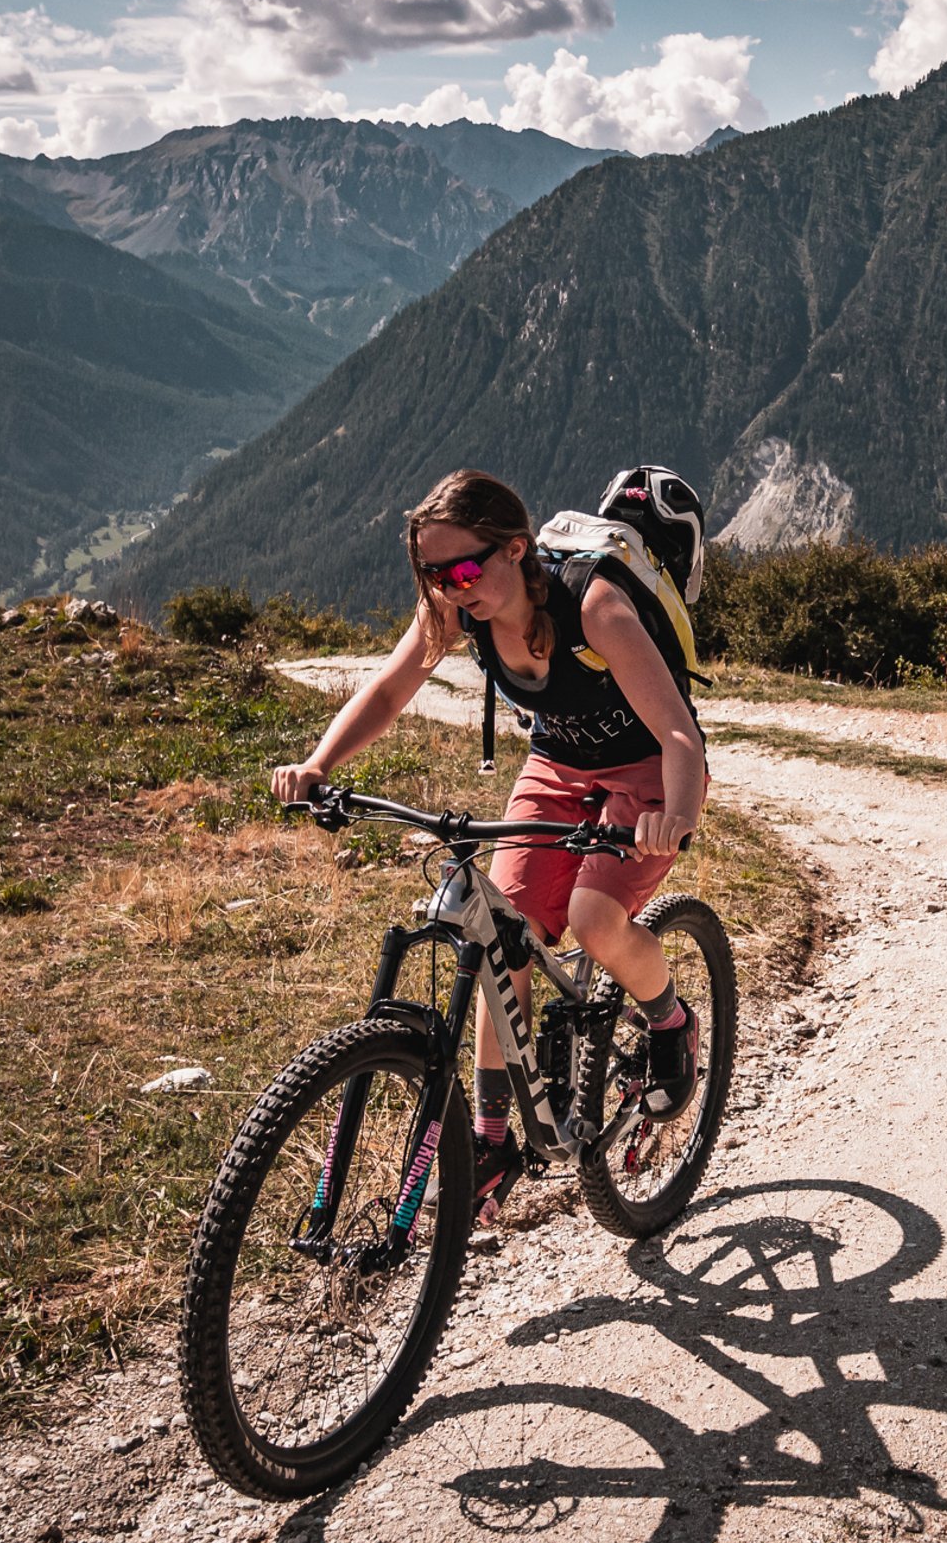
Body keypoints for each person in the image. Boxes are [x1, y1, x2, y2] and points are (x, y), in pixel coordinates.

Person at [268, 468, 708, 1222]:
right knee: (502, 938)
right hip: (559, 768)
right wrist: (318, 765)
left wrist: (676, 816)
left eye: (464, 569)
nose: (450, 587)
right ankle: (493, 1141)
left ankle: (670, 1021)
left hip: (645, 775)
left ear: (514, 548)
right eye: (433, 574)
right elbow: (389, 688)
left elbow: (677, 734)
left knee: (597, 920)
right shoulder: (454, 612)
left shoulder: (594, 607)